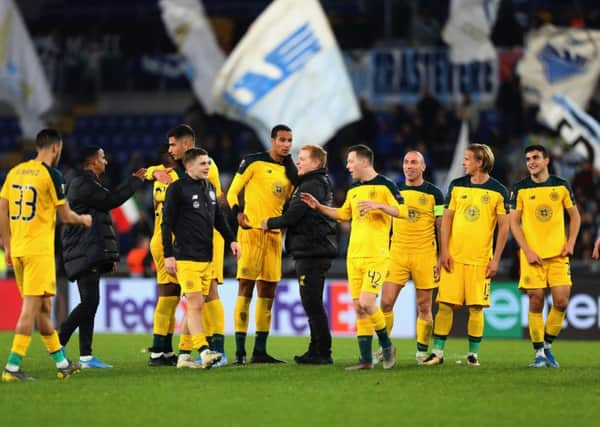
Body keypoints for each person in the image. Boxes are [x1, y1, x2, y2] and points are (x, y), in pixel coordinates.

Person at [301, 144, 407, 370]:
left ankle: (387, 346)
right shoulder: (354, 189)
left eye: (351, 161)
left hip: (376, 255)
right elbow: (342, 214)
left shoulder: (386, 185)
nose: (348, 166)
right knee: (359, 308)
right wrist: (318, 207)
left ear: (364, 161)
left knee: (368, 303)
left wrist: (380, 205)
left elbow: (403, 211)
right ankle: (366, 360)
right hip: (354, 256)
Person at [0, 129, 92, 382]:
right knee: (30, 310)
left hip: (18, 249)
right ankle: (13, 367)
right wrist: (83, 219)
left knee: (43, 308)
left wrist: (7, 244)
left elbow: (3, 208)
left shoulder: (15, 171)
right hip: (38, 251)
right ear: (56, 148)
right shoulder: (52, 175)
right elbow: (65, 216)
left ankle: (62, 363)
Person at [145, 125, 228, 367]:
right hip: (184, 244)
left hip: (182, 241)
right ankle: (212, 350)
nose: (170, 150)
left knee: (177, 297)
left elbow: (214, 206)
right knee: (200, 297)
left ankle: (166, 351)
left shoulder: (179, 174)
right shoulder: (176, 178)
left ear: (186, 146)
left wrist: (151, 172)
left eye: (173, 145)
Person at [423, 143, 509, 367]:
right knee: (444, 305)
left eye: (468, 159)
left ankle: (473, 354)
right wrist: (443, 253)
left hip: (480, 261)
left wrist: (496, 259)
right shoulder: (456, 185)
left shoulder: (498, 190)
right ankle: (437, 352)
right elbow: (446, 221)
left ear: (480, 162)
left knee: (476, 307)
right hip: (454, 258)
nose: (463, 163)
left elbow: (504, 228)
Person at [59, 146, 145, 368]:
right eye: (102, 157)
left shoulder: (85, 182)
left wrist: (107, 257)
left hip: (87, 249)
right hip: (83, 249)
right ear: (91, 161)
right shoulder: (83, 183)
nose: (106, 161)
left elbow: (99, 219)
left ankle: (86, 357)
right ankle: (57, 342)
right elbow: (111, 201)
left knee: (90, 303)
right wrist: (133, 182)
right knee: (90, 302)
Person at [162, 147, 241, 369]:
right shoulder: (177, 189)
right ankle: (204, 350)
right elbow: (166, 223)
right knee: (196, 304)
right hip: (185, 257)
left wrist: (232, 240)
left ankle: (184, 355)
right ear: (189, 166)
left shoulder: (209, 188)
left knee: (194, 307)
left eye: (208, 163)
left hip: (206, 259)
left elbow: (219, 219)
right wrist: (168, 255)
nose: (207, 167)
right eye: (203, 163)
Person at [226, 124, 297, 364]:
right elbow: (232, 193)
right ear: (272, 140)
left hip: (274, 238)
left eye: (289, 140)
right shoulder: (253, 161)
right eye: (282, 140)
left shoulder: (291, 173)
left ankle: (260, 351)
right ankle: (239, 351)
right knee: (245, 290)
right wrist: (238, 213)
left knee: (268, 293)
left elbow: (291, 206)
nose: (286, 144)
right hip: (250, 234)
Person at [261, 145, 337, 365]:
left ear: (316, 163)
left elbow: (294, 216)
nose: (299, 162)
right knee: (312, 303)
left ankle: (322, 351)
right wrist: (285, 160)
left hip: (312, 251)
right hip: (312, 250)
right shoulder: (313, 181)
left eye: (302, 159)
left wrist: (269, 222)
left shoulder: (312, 184)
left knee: (312, 303)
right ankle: (316, 349)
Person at [509, 145, 581, 368]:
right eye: (528, 158)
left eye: (535, 158)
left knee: (561, 302)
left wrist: (570, 242)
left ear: (546, 160)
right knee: (535, 300)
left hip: (558, 255)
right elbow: (513, 222)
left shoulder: (561, 186)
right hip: (532, 257)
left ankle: (547, 345)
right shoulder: (519, 189)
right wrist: (527, 251)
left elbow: (575, 218)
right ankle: (539, 352)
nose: (531, 162)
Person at [371, 151, 444, 365]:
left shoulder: (435, 193)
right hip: (397, 253)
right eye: (406, 162)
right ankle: (384, 348)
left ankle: (422, 352)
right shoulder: (394, 190)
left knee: (424, 307)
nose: (409, 166)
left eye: (414, 162)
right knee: (385, 302)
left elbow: (440, 224)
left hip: (425, 254)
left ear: (423, 167)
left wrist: (441, 255)